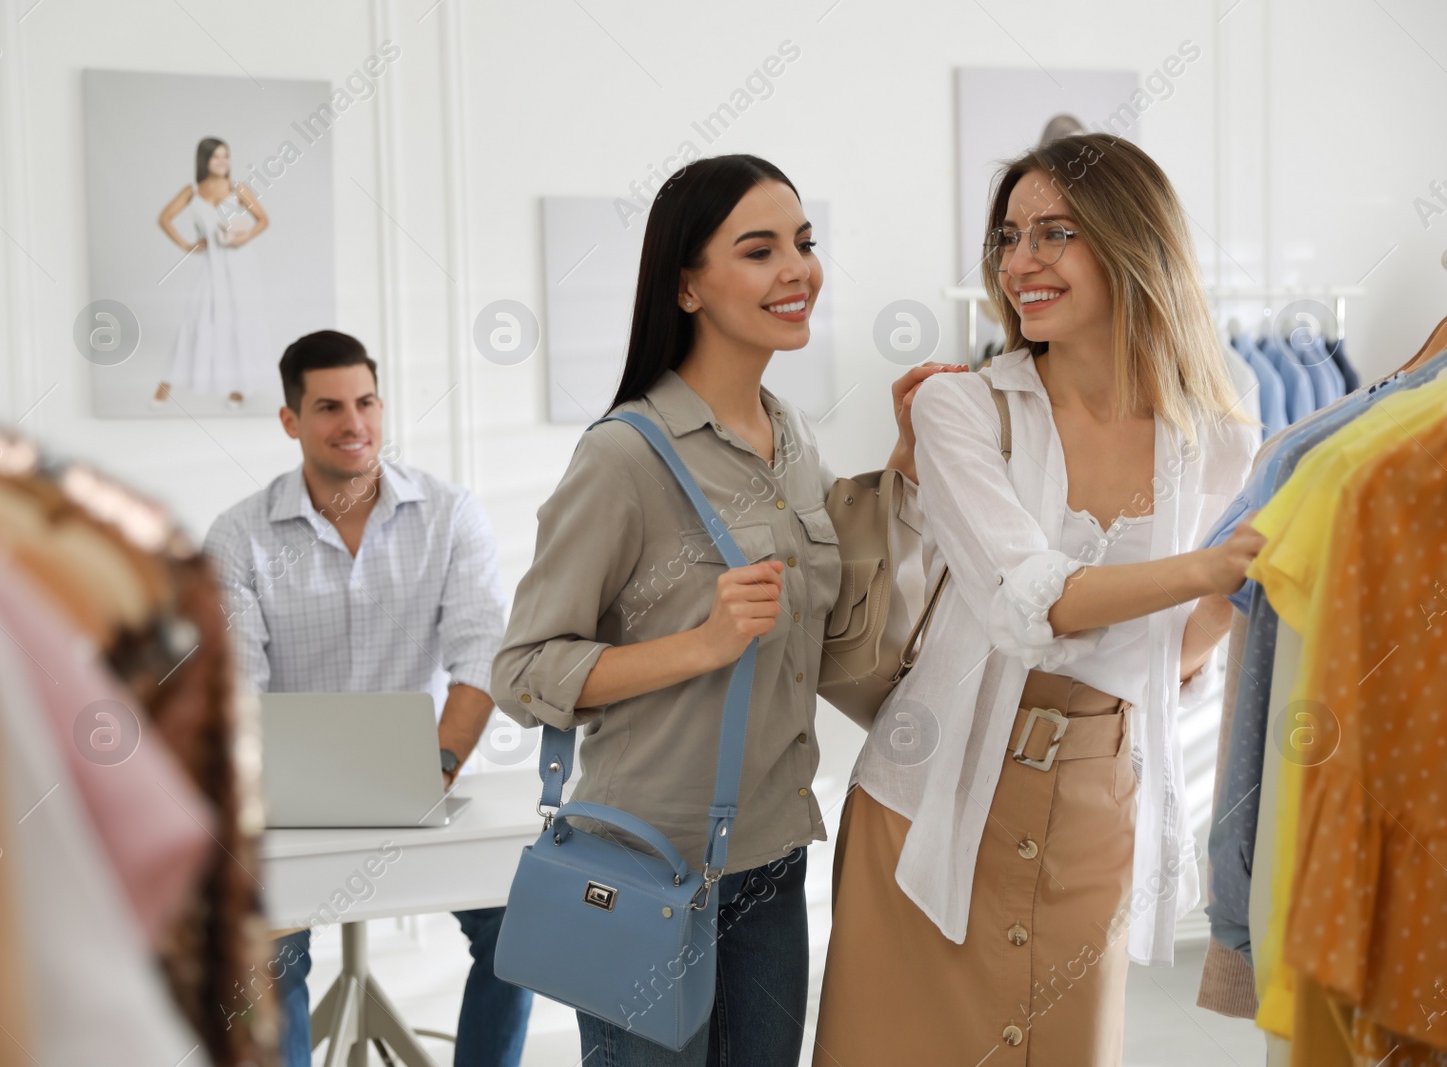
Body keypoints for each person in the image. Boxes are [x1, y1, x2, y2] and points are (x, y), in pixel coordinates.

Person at [491, 154, 961, 1067]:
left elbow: (829, 622)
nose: (797, 270)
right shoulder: (626, 458)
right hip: (643, 861)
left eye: (804, 243)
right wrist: (698, 643)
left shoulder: (790, 438)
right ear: (689, 285)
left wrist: (904, 464)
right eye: (759, 250)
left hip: (771, 854)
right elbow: (521, 670)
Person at [813, 133, 1264, 1065]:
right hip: (928, 803)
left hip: (1098, 802)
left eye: (1053, 233)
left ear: (1133, 243)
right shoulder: (962, 410)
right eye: (1008, 238)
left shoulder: (1217, 437)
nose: (1020, 263)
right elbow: (1029, 603)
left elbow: (1177, 658)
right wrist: (1209, 571)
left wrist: (1224, 595)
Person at [204, 330, 532, 1067]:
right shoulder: (239, 537)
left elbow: (480, 654)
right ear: (291, 420)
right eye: (328, 407)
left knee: (520, 924)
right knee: (267, 949)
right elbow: (237, 687)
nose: (354, 422)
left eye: (366, 401)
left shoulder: (450, 514)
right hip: (290, 803)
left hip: (433, 779)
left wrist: (439, 763)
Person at [155, 137, 271, 410]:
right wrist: (187, 245)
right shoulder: (192, 192)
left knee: (239, 321)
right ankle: (164, 387)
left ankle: (238, 388)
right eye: (216, 156)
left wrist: (245, 237)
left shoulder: (238, 189)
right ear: (204, 159)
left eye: (226, 156)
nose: (222, 161)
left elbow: (263, 220)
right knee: (197, 317)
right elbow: (164, 218)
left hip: (240, 267)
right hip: (212, 267)